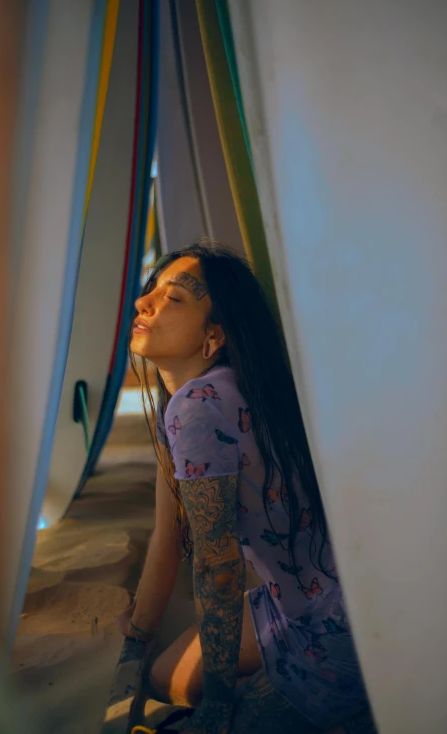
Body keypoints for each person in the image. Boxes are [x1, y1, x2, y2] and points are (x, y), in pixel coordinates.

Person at [118, 241, 376, 734]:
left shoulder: (197, 408)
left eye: (174, 299)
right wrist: (136, 637)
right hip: (298, 601)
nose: (142, 303)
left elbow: (218, 566)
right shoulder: (222, 390)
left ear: (212, 337)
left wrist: (216, 704)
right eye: (152, 289)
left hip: (339, 629)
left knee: (208, 716)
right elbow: (167, 536)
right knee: (163, 677)